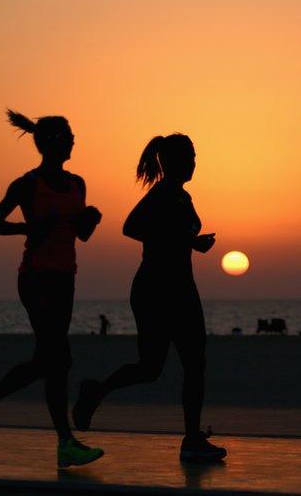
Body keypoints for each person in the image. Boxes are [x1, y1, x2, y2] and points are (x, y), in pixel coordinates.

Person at [0, 109, 104, 468]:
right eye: (68, 135)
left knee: (51, 361)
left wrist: (91, 220)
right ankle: (65, 442)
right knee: (59, 359)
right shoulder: (27, 185)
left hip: (65, 278)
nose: (74, 141)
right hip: (36, 278)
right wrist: (28, 230)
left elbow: (80, 235)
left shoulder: (78, 184)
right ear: (52, 143)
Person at [72, 133, 226, 462]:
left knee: (195, 364)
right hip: (156, 289)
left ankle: (192, 438)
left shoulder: (183, 197)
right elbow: (131, 227)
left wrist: (193, 243)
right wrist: (183, 239)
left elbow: (177, 235)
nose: (194, 163)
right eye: (188, 157)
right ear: (171, 162)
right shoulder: (161, 194)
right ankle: (95, 392)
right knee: (150, 368)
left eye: (195, 156)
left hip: (183, 288)